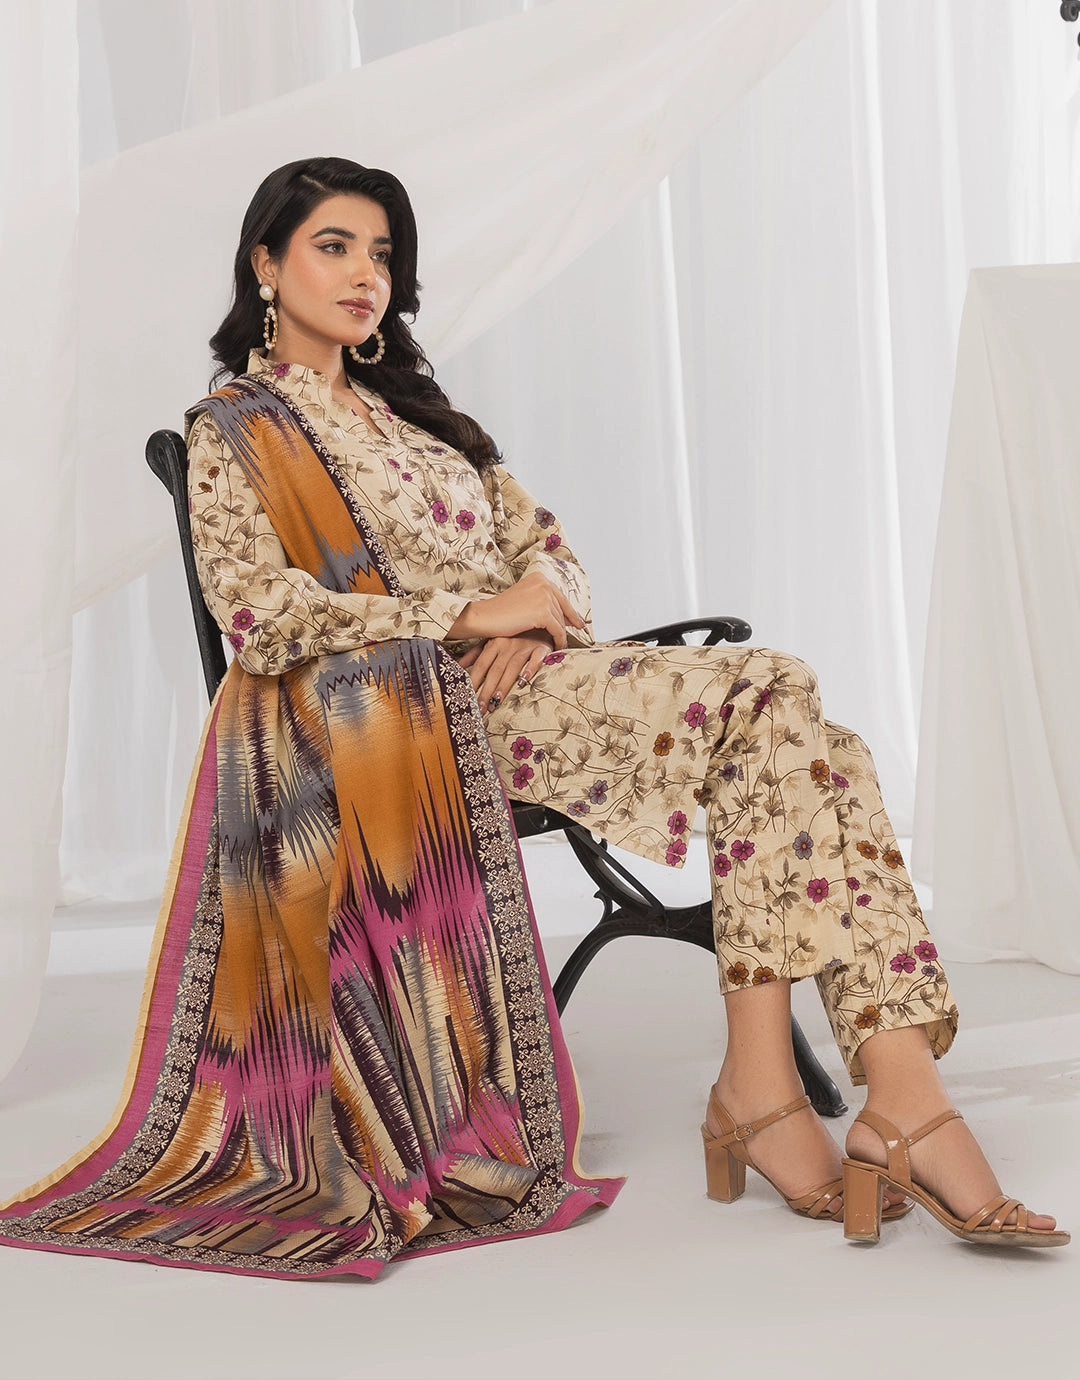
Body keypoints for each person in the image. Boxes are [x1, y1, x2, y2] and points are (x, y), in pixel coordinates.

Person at [0, 157, 1064, 1276]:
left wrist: (536, 616)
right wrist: (468, 619)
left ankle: (788, 1094)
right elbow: (260, 616)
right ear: (266, 264)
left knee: (809, 745)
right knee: (777, 694)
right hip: (416, 726)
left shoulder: (425, 421)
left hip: (539, 687)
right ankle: (863, 1100)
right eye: (334, 247)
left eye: (382, 254)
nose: (366, 275)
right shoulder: (233, 430)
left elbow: (551, 553)